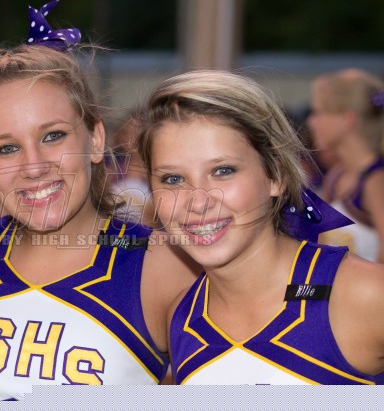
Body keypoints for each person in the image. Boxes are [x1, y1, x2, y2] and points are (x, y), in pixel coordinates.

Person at [0, 0, 199, 400]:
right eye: (7, 148)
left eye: (53, 136)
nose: (34, 166)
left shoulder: (166, 264)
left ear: (95, 139)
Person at [137, 69, 384, 385]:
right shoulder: (181, 317)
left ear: (276, 175)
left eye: (223, 171)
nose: (198, 202)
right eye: (173, 179)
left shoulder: (364, 295)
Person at [307, 68, 384, 263]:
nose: (311, 122)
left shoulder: (376, 180)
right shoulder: (337, 175)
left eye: (318, 112)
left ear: (346, 119)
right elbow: (320, 241)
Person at [108, 107, 159, 228]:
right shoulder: (110, 172)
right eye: (126, 132)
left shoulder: (159, 175)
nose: (130, 138)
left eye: (137, 131)